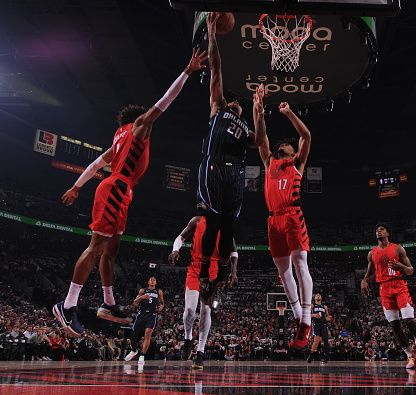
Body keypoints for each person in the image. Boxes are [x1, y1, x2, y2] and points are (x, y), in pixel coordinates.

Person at [52, 49, 208, 336]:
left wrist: (77, 186)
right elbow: (165, 101)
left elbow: (97, 162)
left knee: (111, 252)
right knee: (96, 247)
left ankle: (108, 303)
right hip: (116, 187)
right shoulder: (139, 127)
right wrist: (187, 71)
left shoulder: (118, 138)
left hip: (118, 190)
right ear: (139, 119)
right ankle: (68, 304)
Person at [196, 13, 264, 304]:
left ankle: (219, 276)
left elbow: (259, 141)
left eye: (241, 102)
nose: (237, 101)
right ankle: (202, 273)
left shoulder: (246, 126)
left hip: (236, 173)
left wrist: (259, 112)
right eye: (236, 100)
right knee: (212, 223)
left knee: (228, 227)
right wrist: (212, 35)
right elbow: (216, 67)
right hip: (213, 165)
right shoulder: (218, 107)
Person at [254, 85, 313, 350]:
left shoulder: (297, 163)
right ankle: (299, 317)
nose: (282, 146)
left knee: (300, 263)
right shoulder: (269, 162)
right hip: (272, 220)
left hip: (292, 215)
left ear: (291, 151)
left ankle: (307, 319)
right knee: (283, 269)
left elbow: (306, 135)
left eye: (285, 145)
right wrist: (258, 112)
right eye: (281, 145)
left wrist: (288, 112)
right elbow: (261, 139)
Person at [168, 203, 238, 368]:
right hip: (195, 269)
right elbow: (181, 237)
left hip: (213, 271)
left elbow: (234, 250)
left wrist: (234, 271)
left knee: (206, 309)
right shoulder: (197, 220)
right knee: (190, 311)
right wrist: (175, 249)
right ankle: (187, 338)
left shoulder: (224, 225)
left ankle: (200, 351)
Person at [360, 223, 416, 369]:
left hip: (399, 285)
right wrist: (364, 281)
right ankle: (409, 356)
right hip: (384, 289)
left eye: (382, 229)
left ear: (388, 233)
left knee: (409, 319)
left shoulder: (398, 248)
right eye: (377, 230)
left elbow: (410, 270)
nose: (378, 231)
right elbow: (369, 273)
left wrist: (401, 267)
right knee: (395, 325)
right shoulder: (372, 253)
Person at [125, 276, 164, 367]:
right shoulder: (143, 290)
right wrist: (142, 297)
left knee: (148, 333)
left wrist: (161, 307)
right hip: (141, 314)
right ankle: (134, 351)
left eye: (154, 279)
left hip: (152, 315)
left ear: (156, 283)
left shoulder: (159, 291)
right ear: (148, 281)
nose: (153, 280)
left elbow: (162, 303)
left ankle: (142, 355)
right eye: (151, 279)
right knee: (133, 335)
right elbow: (134, 303)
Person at [307, 293, 332, 363]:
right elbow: (307, 315)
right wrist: (314, 315)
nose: (318, 296)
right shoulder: (312, 306)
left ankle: (326, 357)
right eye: (317, 295)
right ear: (314, 298)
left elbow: (327, 316)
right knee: (316, 341)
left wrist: (328, 318)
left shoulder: (325, 307)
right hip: (316, 325)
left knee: (326, 341)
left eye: (319, 295)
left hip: (323, 324)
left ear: (321, 298)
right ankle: (311, 356)